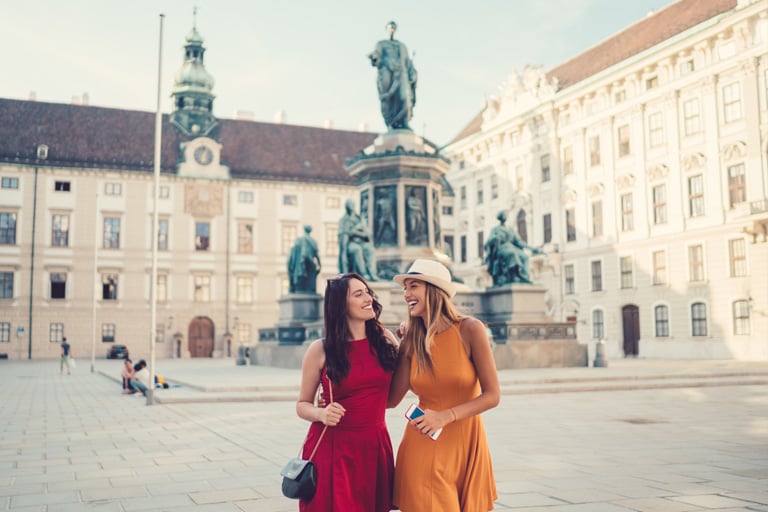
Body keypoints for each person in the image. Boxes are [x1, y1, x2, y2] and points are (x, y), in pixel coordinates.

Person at [390, 259, 499, 511]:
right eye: (405, 287)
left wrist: (445, 416)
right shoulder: (411, 340)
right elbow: (390, 400)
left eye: (413, 286)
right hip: (423, 444)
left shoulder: (470, 329)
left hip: (467, 442)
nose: (406, 294)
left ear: (433, 289)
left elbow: (492, 395)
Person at [295, 273, 399, 511]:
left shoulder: (385, 340)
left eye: (368, 292)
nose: (368, 298)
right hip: (333, 449)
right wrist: (321, 414)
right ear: (340, 304)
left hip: (374, 446)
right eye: (358, 294)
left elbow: (399, 391)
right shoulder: (320, 349)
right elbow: (302, 404)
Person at [368, 20, 417, 131]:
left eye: (394, 27)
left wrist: (413, 74)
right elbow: (377, 57)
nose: (392, 29)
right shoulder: (381, 44)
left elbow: (408, 63)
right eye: (390, 27)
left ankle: (404, 122)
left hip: (402, 75)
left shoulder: (402, 46)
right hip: (388, 74)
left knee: (405, 98)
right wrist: (374, 58)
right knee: (389, 99)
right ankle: (391, 123)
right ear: (387, 29)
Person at [484, 210, 542, 286]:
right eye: (503, 216)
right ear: (500, 218)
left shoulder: (510, 229)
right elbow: (489, 241)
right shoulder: (495, 229)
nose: (505, 217)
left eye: (505, 216)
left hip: (511, 247)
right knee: (512, 254)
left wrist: (531, 248)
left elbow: (518, 241)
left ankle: (523, 277)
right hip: (501, 248)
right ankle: (514, 275)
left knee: (524, 257)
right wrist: (494, 238)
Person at [338, 198, 378, 280]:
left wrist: (355, 232)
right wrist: (353, 233)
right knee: (357, 249)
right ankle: (363, 273)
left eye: (352, 205)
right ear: (347, 207)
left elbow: (367, 233)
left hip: (361, 241)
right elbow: (343, 234)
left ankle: (372, 273)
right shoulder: (343, 220)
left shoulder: (359, 218)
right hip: (350, 243)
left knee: (370, 249)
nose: (351, 207)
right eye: (349, 205)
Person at [288, 225, 321, 293]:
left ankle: (297, 288)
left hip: (301, 263)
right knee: (310, 281)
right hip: (310, 263)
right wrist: (319, 264)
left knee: (302, 278)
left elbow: (295, 251)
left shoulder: (300, 239)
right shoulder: (313, 241)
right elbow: (316, 255)